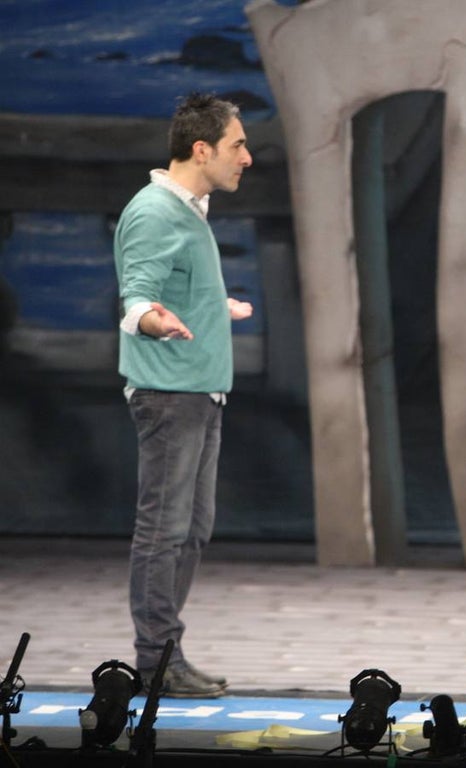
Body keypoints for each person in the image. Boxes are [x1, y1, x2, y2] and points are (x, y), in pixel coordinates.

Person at [114, 92, 253, 698]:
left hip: (198, 392)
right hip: (169, 395)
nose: (246, 157)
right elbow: (137, 296)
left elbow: (174, 284)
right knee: (163, 532)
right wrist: (154, 321)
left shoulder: (187, 210)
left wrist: (212, 308)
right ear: (202, 149)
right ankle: (154, 661)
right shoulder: (155, 211)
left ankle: (166, 652)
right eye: (237, 145)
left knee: (192, 531)